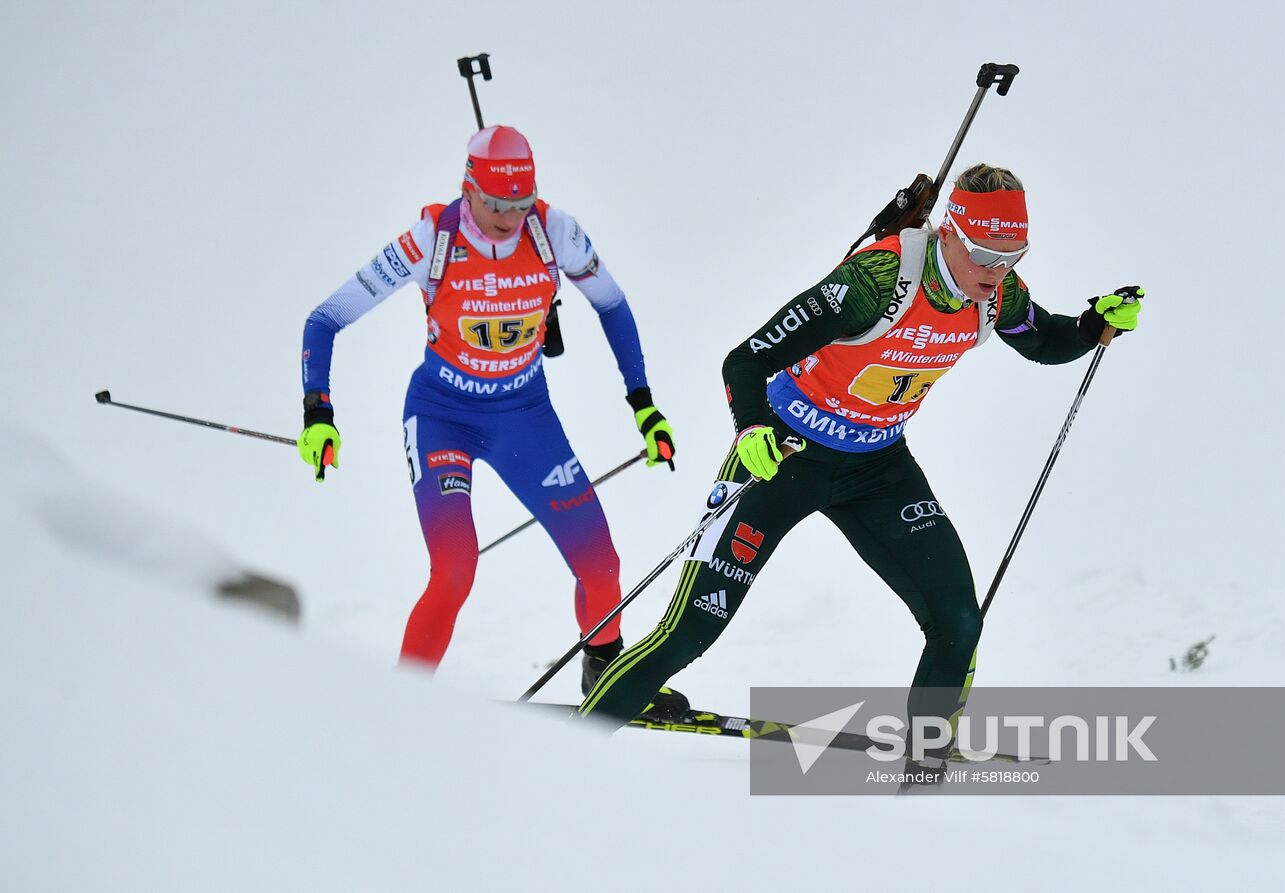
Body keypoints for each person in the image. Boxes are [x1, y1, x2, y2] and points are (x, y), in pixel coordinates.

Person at [576, 164, 1142, 770]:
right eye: (983, 254)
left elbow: (1043, 341)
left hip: (877, 467)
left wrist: (1093, 327)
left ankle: (922, 782)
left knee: (957, 620)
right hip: (785, 455)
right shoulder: (876, 281)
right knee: (690, 631)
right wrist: (752, 430)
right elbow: (743, 362)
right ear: (949, 232)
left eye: (1013, 255)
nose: (997, 271)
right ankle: (559, 755)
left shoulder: (996, 291)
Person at [297, 124, 686, 718]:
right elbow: (325, 318)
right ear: (468, 188)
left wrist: (643, 404)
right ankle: (400, 706)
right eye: (496, 204)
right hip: (442, 416)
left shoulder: (556, 232)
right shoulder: (431, 238)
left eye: (520, 204)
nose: (508, 217)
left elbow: (612, 304)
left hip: (524, 415)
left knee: (603, 569)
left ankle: (605, 675)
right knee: (456, 567)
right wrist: (318, 413)